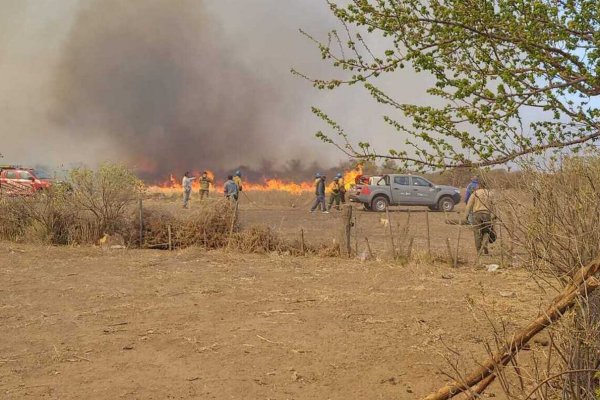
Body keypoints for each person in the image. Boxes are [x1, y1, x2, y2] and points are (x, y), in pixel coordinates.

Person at [464, 179, 494, 255]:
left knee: (477, 233)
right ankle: (485, 247)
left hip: (477, 215)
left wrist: (466, 216)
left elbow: (469, 206)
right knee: (486, 232)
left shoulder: (475, 193)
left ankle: (478, 251)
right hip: (487, 214)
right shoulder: (489, 194)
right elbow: (493, 206)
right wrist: (493, 216)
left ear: (479, 185)